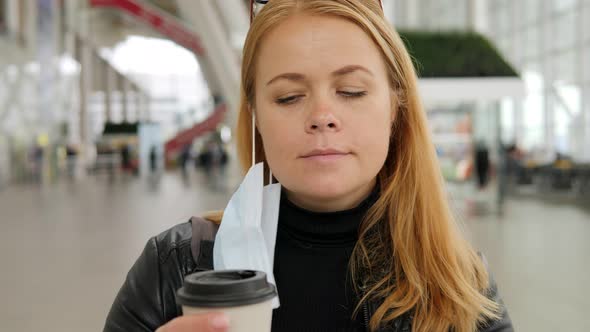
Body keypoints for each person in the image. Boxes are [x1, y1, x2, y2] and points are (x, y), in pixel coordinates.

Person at [104, 1, 513, 331]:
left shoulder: (459, 283)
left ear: (395, 107)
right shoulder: (174, 268)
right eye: (288, 97)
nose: (322, 115)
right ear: (256, 118)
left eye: (351, 91)